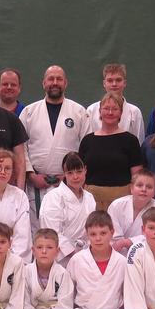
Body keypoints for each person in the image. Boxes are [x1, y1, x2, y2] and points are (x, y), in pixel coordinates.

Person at [20, 65, 93, 228]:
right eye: (50, 79)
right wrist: (31, 175)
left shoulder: (79, 112)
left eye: (59, 79)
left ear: (65, 83)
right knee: (37, 230)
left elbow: (87, 147)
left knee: (69, 227)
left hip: (69, 183)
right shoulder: (29, 112)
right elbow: (21, 148)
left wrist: (70, 175)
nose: (55, 82)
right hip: (37, 183)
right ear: (43, 83)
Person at [61, 211, 128, 309]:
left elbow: (127, 294)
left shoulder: (122, 262)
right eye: (93, 234)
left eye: (103, 233)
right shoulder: (77, 259)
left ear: (112, 233)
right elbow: (67, 292)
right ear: (87, 234)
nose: (98, 238)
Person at [78, 92, 143, 210]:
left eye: (115, 109)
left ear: (121, 113)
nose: (110, 112)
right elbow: (80, 173)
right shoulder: (87, 141)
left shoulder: (130, 140)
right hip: (91, 201)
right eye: (106, 108)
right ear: (100, 111)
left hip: (122, 200)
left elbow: (137, 175)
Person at [21, 229, 75, 309]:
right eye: (39, 247)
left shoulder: (62, 273)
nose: (44, 251)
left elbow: (65, 304)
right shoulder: (26, 271)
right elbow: (23, 302)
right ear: (33, 250)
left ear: (57, 251)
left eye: (49, 247)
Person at [39, 152, 96, 265]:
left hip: (86, 256)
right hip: (60, 258)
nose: (75, 177)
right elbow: (52, 232)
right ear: (64, 174)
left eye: (79, 171)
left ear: (85, 170)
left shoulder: (90, 198)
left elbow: (92, 230)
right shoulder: (53, 197)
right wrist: (73, 253)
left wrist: (87, 254)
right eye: (70, 173)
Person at [108, 169, 155, 254]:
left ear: (154, 192)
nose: (144, 189)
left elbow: (154, 234)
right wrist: (121, 244)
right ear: (131, 188)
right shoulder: (116, 205)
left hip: (144, 252)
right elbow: (113, 236)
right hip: (116, 252)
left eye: (149, 187)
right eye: (139, 185)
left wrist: (127, 242)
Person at [86, 63, 145, 140]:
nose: (114, 84)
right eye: (110, 80)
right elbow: (88, 140)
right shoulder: (91, 110)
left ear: (124, 83)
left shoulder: (134, 112)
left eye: (118, 80)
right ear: (104, 83)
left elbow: (139, 141)